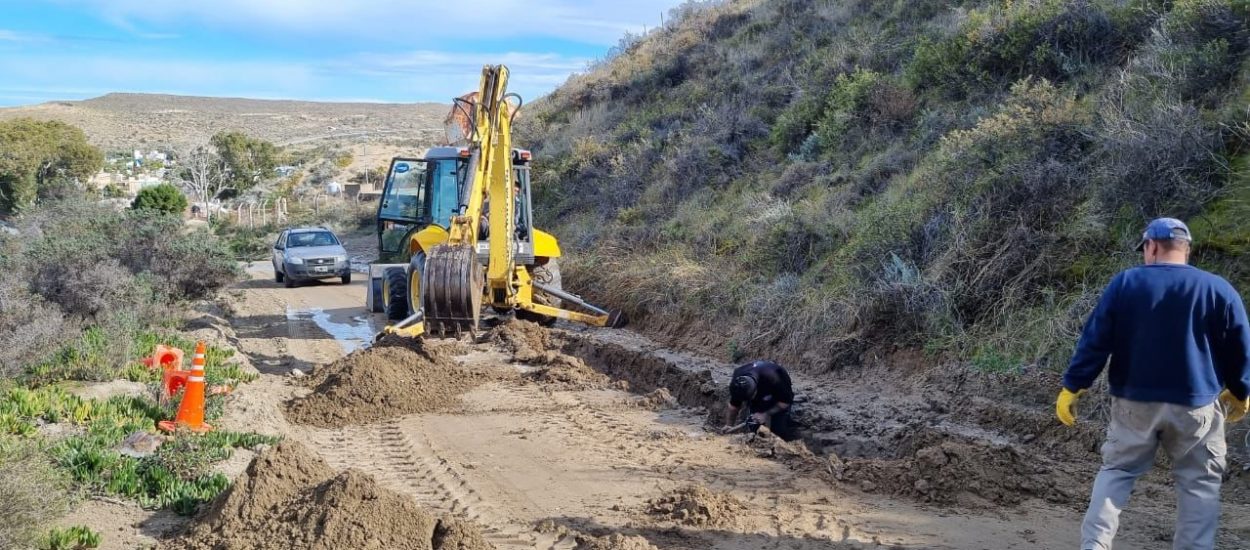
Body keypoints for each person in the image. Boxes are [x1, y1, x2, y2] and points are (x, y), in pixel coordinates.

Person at [1057, 217, 1250, 550]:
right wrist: (1241, 389)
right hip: (1196, 406)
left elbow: (1096, 340)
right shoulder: (1217, 288)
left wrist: (1074, 385)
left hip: (1135, 404)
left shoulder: (1126, 283)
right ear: (1185, 249)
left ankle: (1095, 546)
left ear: (1153, 246)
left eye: (1144, 248)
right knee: (1199, 484)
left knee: (1117, 471)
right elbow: (1240, 345)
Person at [723, 360, 797, 440]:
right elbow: (734, 407)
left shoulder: (775, 378)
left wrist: (766, 413)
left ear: (756, 389)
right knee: (755, 428)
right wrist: (729, 425)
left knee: (778, 430)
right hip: (761, 393)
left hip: (778, 395)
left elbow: (785, 403)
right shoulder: (737, 382)